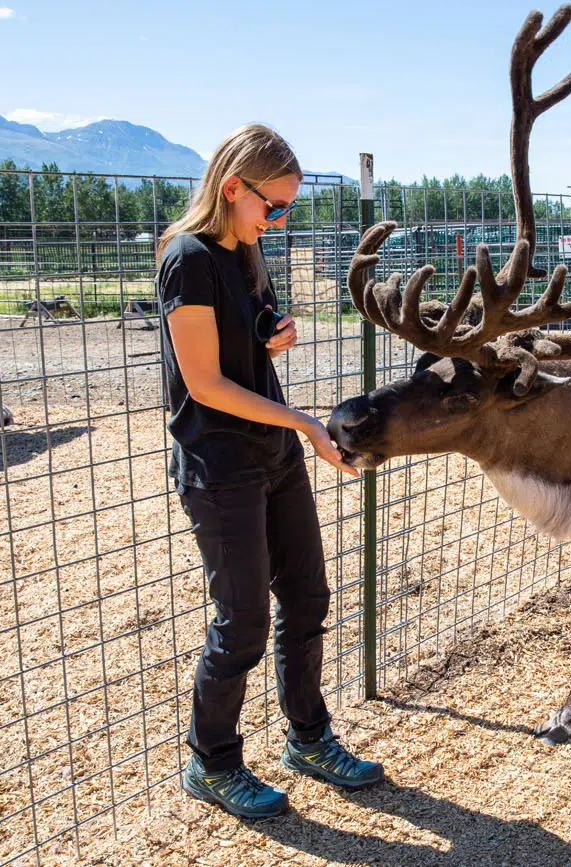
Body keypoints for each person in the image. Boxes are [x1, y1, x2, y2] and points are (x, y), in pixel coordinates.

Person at [157, 123, 383, 819]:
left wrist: (274, 337)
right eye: (273, 206)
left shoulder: (247, 250)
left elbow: (246, 349)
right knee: (244, 620)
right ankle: (212, 761)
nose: (278, 220)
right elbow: (204, 383)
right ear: (233, 189)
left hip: (271, 453)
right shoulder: (187, 257)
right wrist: (306, 423)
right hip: (220, 461)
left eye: (285, 208)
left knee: (308, 599)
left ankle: (309, 737)